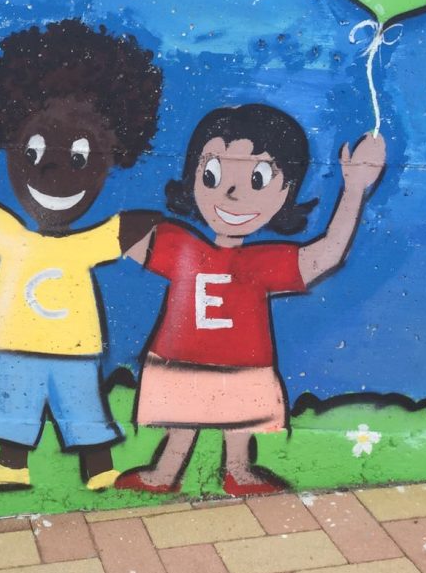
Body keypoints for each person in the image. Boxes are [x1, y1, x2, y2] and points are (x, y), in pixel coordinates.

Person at [0, 19, 164, 492]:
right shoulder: (12, 236)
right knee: (14, 404)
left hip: (72, 347)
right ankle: (13, 465)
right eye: (32, 152)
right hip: (19, 344)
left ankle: (99, 468)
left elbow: (130, 228)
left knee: (83, 406)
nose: (53, 172)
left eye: (79, 159)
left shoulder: (73, 243)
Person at [117, 104, 385, 496]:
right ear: (192, 176)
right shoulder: (179, 244)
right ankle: (167, 472)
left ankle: (237, 471)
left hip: (244, 362)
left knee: (239, 419)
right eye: (212, 174)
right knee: (181, 419)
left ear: (286, 192)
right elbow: (116, 235)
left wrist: (355, 190)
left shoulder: (264, 261)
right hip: (180, 357)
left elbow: (328, 254)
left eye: (257, 179)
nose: (231, 193)